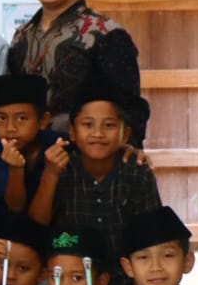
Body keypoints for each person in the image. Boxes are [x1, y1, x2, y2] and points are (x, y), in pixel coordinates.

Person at [7, 0, 144, 140]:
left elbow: (130, 109)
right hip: (31, 153)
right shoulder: (22, 36)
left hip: (84, 153)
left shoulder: (106, 34)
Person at [28, 84, 160, 247]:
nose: (98, 133)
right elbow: (37, 225)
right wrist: (51, 174)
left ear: (125, 135)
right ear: (72, 132)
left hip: (124, 259)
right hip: (71, 255)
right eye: (88, 124)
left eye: (109, 125)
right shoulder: (61, 166)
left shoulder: (137, 171)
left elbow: (152, 232)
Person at [0, 73, 65, 223]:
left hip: (56, 233)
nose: (10, 128)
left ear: (43, 121)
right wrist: (15, 169)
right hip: (6, 233)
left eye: (22, 118)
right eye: (1, 118)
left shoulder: (59, 144)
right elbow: (15, 207)